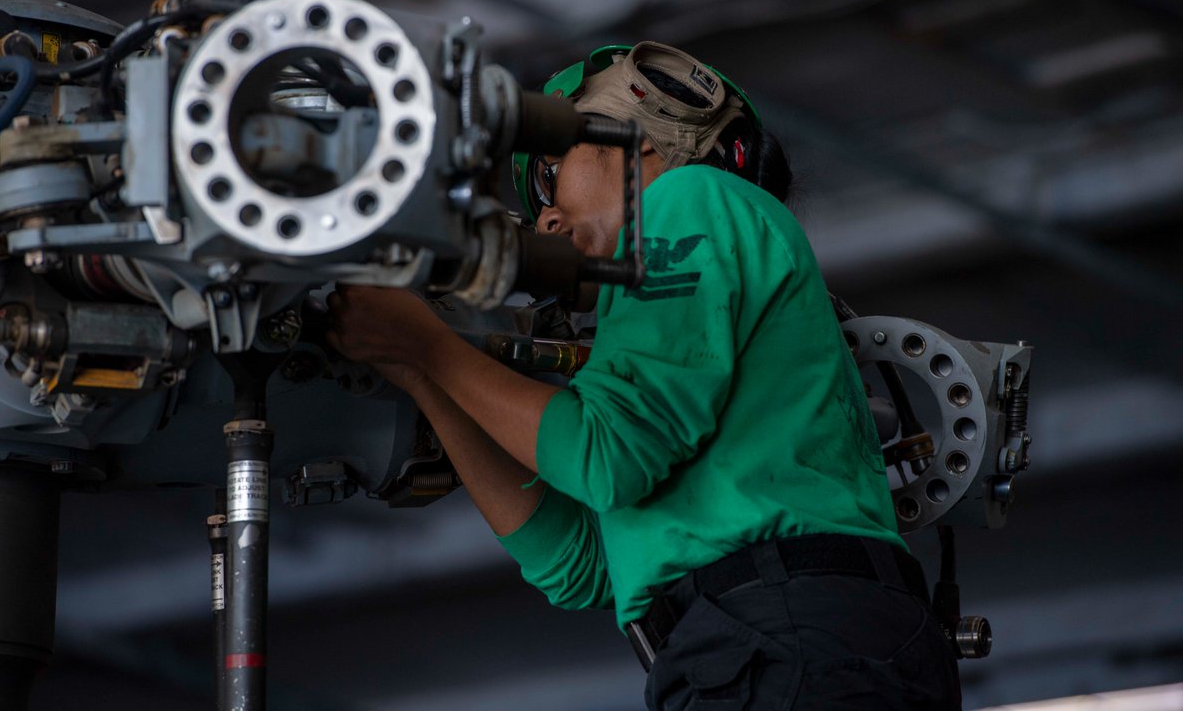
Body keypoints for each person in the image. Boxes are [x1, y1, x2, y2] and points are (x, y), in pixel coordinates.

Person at [326, 42, 961, 709]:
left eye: (550, 173)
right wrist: (422, 370)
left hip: (781, 640)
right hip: (765, 644)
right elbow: (576, 565)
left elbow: (606, 455)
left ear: (634, 140)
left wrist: (431, 349)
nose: (545, 217)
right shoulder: (687, 297)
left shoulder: (690, 197)